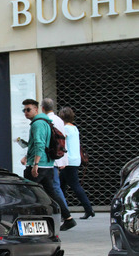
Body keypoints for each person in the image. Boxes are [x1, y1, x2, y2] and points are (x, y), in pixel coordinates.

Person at [20, 99, 75, 231]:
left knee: (27, 191)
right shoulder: (46, 122)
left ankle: (30, 221)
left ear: (36, 109)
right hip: (49, 165)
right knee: (51, 193)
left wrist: (35, 164)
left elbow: (39, 144)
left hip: (40, 165)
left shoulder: (37, 124)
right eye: (24, 110)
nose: (26, 113)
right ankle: (68, 218)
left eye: (28, 109)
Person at [58, 106, 95, 220]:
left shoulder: (65, 129)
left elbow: (61, 143)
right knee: (61, 186)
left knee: (74, 186)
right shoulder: (74, 128)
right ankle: (62, 210)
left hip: (68, 161)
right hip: (74, 160)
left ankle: (88, 209)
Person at [41, 98, 70, 210]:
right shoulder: (59, 120)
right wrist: (64, 159)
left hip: (50, 157)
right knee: (54, 186)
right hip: (58, 156)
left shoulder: (46, 120)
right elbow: (63, 139)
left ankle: (64, 211)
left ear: (42, 108)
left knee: (54, 186)